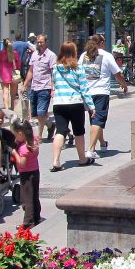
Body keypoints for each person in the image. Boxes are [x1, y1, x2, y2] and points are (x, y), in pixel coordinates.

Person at [78, 33, 128, 159]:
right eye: (104, 41)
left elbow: (78, 72)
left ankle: (102, 143)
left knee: (95, 120)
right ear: (101, 42)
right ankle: (91, 150)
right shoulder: (106, 55)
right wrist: (124, 85)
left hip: (87, 92)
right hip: (101, 92)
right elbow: (117, 73)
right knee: (98, 120)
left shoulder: (84, 55)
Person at [49, 40, 95, 171]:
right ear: (74, 52)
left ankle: (56, 161)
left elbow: (55, 85)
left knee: (60, 130)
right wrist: (91, 106)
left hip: (59, 103)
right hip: (75, 102)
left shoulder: (56, 68)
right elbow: (84, 89)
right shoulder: (78, 68)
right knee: (79, 131)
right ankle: (82, 159)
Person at [21, 34, 56, 141]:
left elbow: (53, 73)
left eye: (41, 42)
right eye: (38, 42)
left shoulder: (51, 55)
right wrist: (25, 84)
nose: (39, 44)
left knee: (41, 113)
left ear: (46, 42)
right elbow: (31, 70)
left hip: (45, 87)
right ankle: (50, 125)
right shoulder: (34, 54)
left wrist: (53, 88)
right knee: (36, 114)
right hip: (34, 87)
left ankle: (39, 136)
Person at [10, 118, 42, 227]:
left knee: (27, 199)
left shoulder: (24, 148)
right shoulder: (34, 140)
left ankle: (28, 222)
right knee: (34, 196)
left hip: (26, 175)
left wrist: (14, 153)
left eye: (15, 135)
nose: (15, 138)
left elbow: (21, 163)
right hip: (35, 171)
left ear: (20, 133)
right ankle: (37, 217)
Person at [0, 38, 20, 112]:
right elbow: (18, 63)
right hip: (14, 75)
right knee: (13, 94)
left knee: (5, 93)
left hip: (4, 74)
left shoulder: (1, 53)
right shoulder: (15, 53)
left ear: (3, 45)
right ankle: (12, 108)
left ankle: (6, 110)